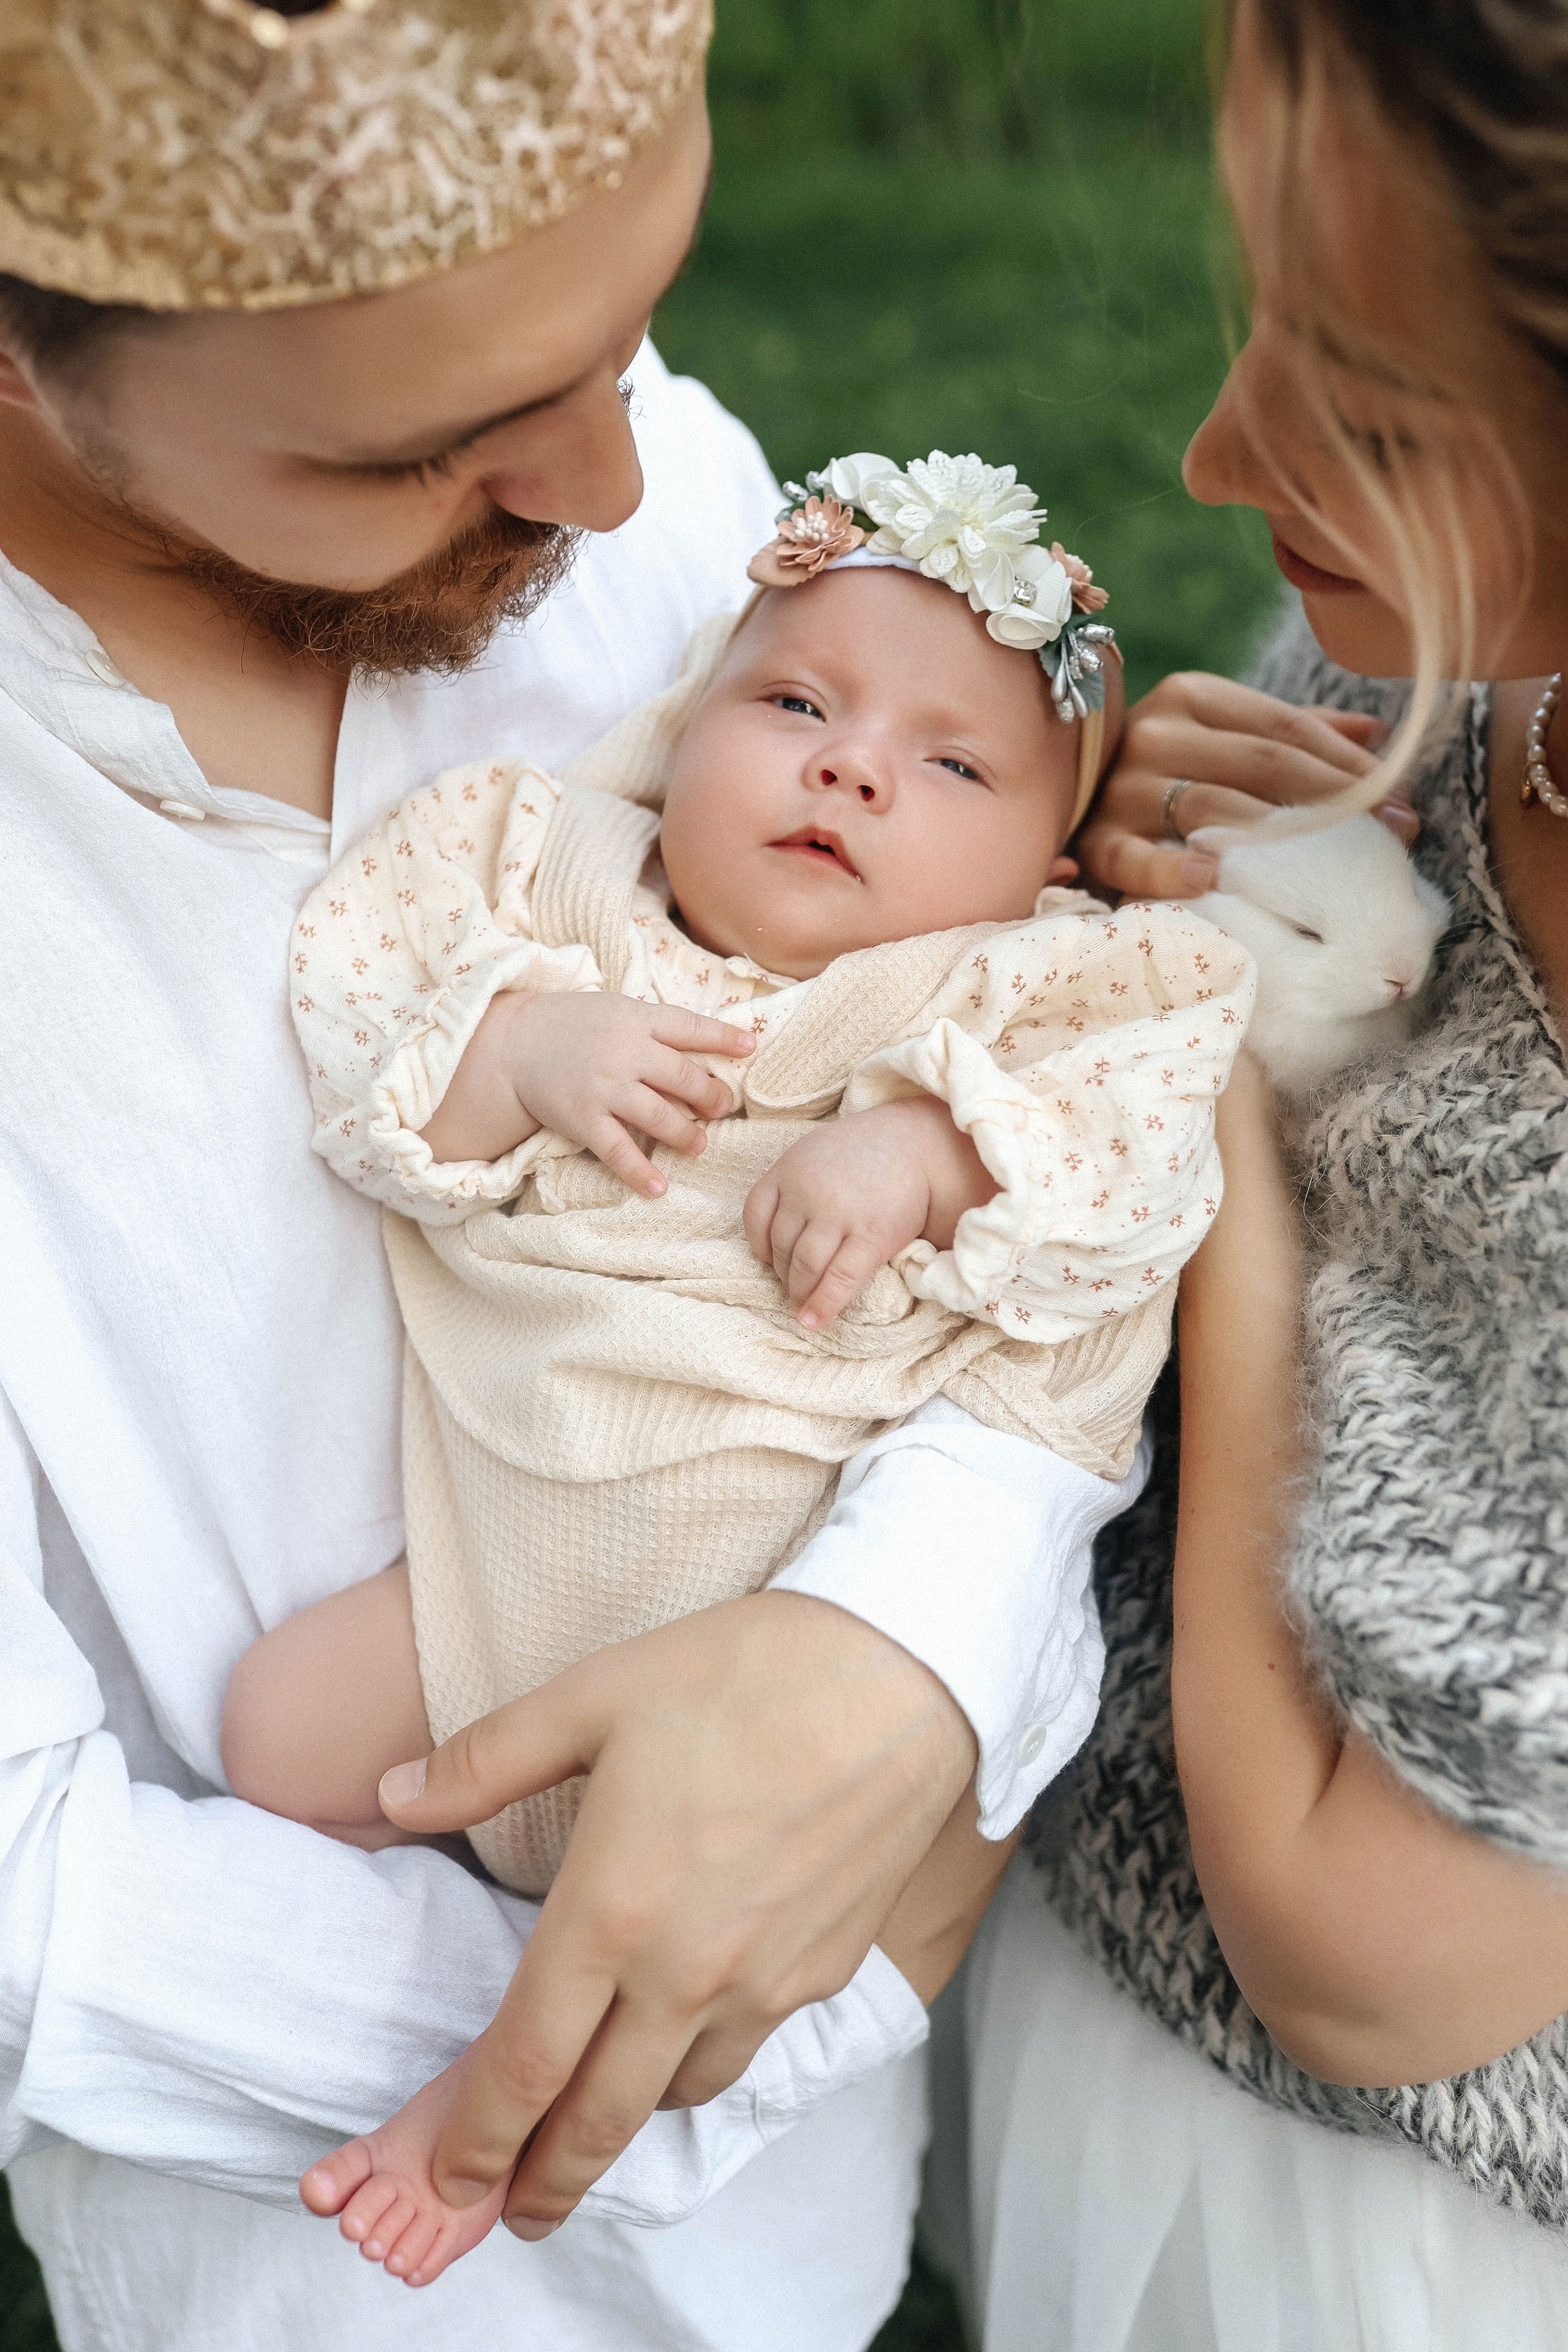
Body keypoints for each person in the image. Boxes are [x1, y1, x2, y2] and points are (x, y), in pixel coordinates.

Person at [0, 10, 1147, 2348]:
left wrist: (912, 1649)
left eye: (630, 333)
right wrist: (823, 1965)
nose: (622, 491)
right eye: (428, 441)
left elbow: (1006, 1123)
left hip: (818, 2221)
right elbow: (41, 1903)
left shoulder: (664, 524)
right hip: (329, 2267)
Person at [216, 466, 1251, 2288]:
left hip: (785, 1594)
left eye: (954, 764)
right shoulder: (555, 879)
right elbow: (372, 1023)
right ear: (684, 720)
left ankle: (491, 2103)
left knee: (790, 1945)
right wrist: (527, 1049)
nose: (852, 771)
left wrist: (932, 1150)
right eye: (794, 703)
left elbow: (1135, 1160)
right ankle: (441, 2026)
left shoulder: (1016, 993)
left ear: (1049, 870)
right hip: (498, 1586)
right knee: (275, 1735)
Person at [932, 0, 1568, 2343]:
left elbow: (1360, 1960)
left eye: (1372, 411)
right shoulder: (1476, 649)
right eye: (1271, 312)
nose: (1217, 454)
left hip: (1381, 2222)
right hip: (1094, 1936)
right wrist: (1145, 869)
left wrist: (1218, 1173)